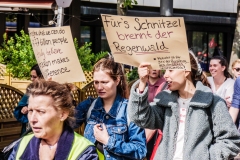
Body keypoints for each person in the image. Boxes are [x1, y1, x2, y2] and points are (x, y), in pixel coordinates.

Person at [127, 51, 240, 160]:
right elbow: (139, 117)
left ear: (186, 71)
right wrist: (142, 83)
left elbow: (231, 140)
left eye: (170, 70)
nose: (165, 75)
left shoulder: (214, 102)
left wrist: (207, 156)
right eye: (165, 70)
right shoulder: (165, 101)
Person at [75, 58, 147, 160]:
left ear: (117, 80)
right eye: (96, 82)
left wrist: (108, 141)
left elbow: (140, 150)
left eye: (104, 82)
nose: (99, 87)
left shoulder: (129, 110)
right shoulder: (89, 106)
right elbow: (64, 123)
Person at [9, 80, 100, 160]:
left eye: (41, 111)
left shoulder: (84, 151)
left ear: (63, 114)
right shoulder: (20, 145)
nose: (32, 119)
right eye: (30, 110)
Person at [13, 64, 43, 135]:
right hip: (29, 130)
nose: (31, 79)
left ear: (42, 77)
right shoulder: (30, 90)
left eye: (34, 77)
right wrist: (24, 108)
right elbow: (19, 109)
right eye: (31, 76)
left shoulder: (52, 91)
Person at [145, 69, 166, 159]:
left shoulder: (165, 84)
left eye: (156, 67)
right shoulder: (141, 84)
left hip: (157, 126)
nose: (154, 69)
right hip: (143, 123)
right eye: (151, 67)